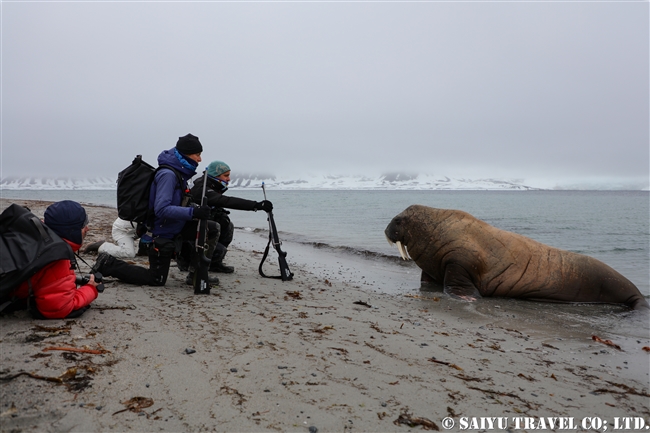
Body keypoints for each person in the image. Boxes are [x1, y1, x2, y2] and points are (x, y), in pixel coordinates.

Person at [94, 134, 220, 293]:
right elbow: (161, 209)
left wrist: (195, 209)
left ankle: (196, 274)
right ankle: (108, 264)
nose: (200, 159)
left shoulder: (180, 174)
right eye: (197, 155)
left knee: (212, 228)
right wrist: (193, 211)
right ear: (186, 155)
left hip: (175, 227)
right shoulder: (168, 175)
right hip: (160, 232)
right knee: (156, 279)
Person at [10, 200, 100, 319]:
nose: (87, 229)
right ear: (72, 231)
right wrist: (91, 288)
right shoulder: (56, 257)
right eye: (83, 225)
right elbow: (58, 308)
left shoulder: (34, 235)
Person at [189, 160, 272, 273]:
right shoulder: (202, 189)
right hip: (192, 230)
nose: (228, 179)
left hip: (199, 227)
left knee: (226, 222)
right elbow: (227, 201)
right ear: (215, 175)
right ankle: (195, 264)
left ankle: (214, 263)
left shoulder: (210, 185)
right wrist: (256, 205)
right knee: (216, 230)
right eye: (226, 175)